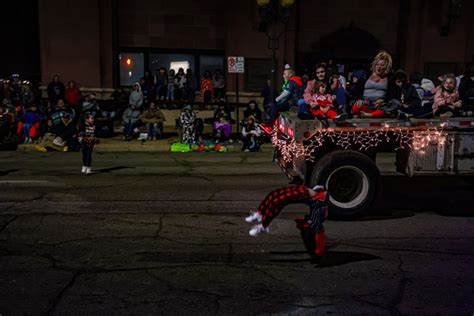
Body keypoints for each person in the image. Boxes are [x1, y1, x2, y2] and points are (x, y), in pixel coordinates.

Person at [245, 185, 329, 257]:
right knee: (276, 197)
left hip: (307, 193)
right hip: (310, 195)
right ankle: (261, 217)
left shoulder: (318, 214)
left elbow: (317, 229)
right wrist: (319, 251)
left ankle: (262, 222)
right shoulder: (319, 213)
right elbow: (318, 229)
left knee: (276, 197)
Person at [261, 65, 303, 134]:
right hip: (294, 101)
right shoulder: (296, 81)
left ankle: (270, 125)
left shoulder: (291, 82)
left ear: (290, 74)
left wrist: (275, 100)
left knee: (275, 106)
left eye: (284, 74)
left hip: (291, 102)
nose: (283, 75)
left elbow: (286, 93)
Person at [352, 50, 393, 118]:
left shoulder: (390, 78)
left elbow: (392, 95)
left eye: (382, 65)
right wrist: (359, 99)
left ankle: (371, 115)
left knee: (394, 104)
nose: (379, 67)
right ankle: (368, 114)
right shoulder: (366, 75)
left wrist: (384, 101)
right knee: (356, 106)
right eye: (377, 64)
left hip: (380, 107)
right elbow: (356, 89)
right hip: (366, 104)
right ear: (374, 64)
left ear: (386, 66)